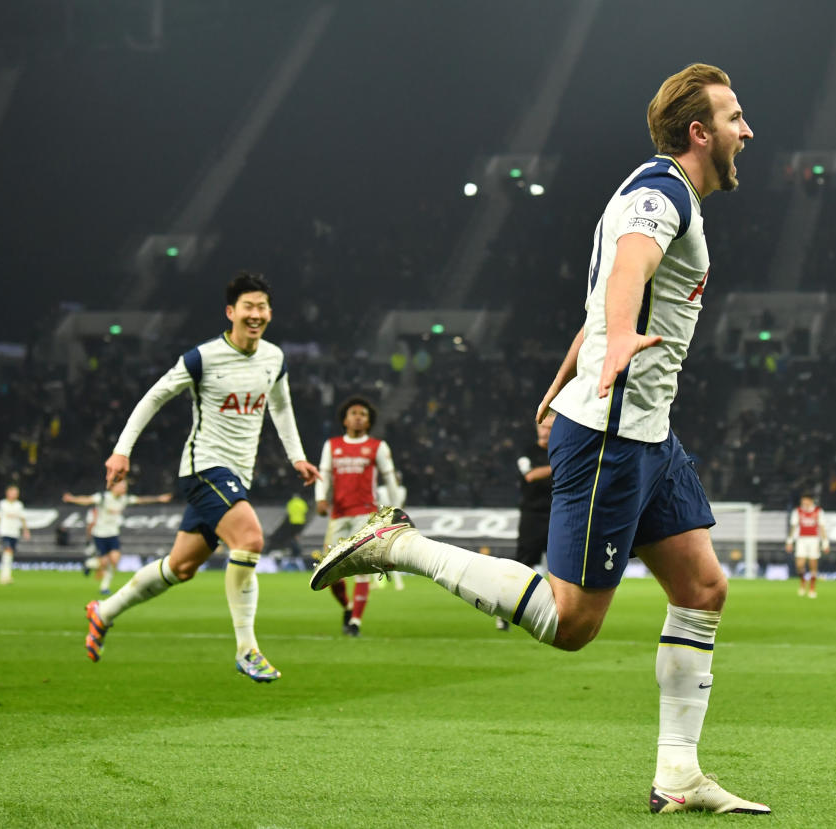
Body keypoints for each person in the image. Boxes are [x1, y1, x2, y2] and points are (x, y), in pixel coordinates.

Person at [312, 64, 767, 814]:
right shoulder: (660, 196)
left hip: (650, 433)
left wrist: (566, 372)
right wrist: (619, 337)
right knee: (571, 622)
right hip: (614, 435)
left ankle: (680, 774)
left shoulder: (666, 192)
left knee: (703, 587)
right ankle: (401, 545)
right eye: (735, 118)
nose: (746, 132)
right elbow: (626, 270)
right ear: (700, 132)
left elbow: (603, 296)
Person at [84, 271, 320, 681]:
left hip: (237, 476)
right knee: (250, 539)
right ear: (231, 312)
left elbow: (281, 408)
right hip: (204, 468)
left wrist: (297, 457)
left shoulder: (274, 358)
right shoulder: (203, 358)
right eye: (248, 306)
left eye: (262, 307)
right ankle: (248, 649)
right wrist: (122, 450)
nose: (256, 314)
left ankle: (103, 611)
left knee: (181, 567)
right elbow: (155, 395)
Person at [314, 395, 405, 637]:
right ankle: (347, 607)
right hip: (339, 515)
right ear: (344, 419)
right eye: (353, 413)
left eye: (363, 414)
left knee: (363, 569)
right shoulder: (332, 445)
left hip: (365, 515)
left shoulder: (377, 446)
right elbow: (323, 474)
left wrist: (396, 510)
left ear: (368, 422)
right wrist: (320, 498)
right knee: (328, 570)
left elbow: (390, 479)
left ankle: (355, 622)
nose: (357, 417)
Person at [497, 412, 555, 632]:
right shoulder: (527, 453)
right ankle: (504, 612)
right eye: (543, 426)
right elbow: (529, 475)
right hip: (532, 517)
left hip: (557, 516)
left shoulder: (560, 450)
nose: (545, 431)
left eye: (550, 427)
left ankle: (555, 616)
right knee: (522, 568)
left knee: (560, 569)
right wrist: (560, 465)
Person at [63, 482, 173, 595]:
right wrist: (72, 499)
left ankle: (104, 587)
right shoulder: (103, 497)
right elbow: (87, 500)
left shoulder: (124, 499)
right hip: (100, 534)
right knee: (104, 563)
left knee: (115, 560)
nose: (124, 489)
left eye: (125, 487)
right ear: (114, 487)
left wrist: (159, 498)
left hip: (113, 534)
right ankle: (89, 564)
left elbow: (142, 500)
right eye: (122, 487)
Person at [786, 494, 829, 598]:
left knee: (812, 563)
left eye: (805, 502)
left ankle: (812, 588)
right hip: (801, 540)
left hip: (814, 540)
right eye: (802, 502)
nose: (803, 504)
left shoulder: (818, 511)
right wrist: (789, 541)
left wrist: (825, 543)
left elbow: (822, 528)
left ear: (811, 501)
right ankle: (803, 582)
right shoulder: (798, 512)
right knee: (799, 564)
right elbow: (793, 527)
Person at [0, 485, 30, 585]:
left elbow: (23, 518)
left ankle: (5, 575)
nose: (14, 495)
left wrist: (26, 530)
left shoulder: (19, 505)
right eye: (13, 492)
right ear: (7, 493)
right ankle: (5, 576)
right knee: (8, 551)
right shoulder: (2, 504)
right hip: (5, 531)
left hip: (14, 532)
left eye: (16, 493)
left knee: (10, 553)